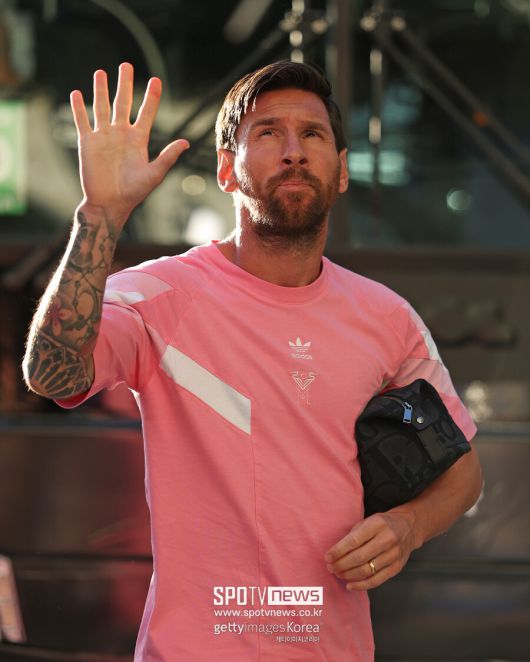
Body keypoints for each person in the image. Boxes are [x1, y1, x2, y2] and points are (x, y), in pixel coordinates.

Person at [23, 61, 483, 661]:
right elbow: (51, 372)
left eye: (312, 134)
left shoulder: (386, 317)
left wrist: (409, 525)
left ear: (343, 170)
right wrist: (100, 217)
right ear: (225, 170)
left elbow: (463, 471)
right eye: (267, 133)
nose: (294, 151)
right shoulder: (159, 296)